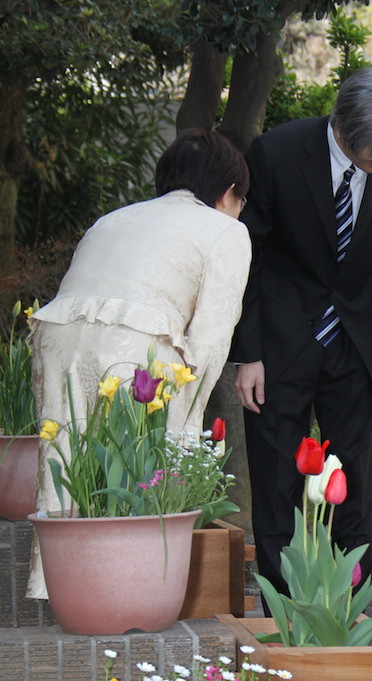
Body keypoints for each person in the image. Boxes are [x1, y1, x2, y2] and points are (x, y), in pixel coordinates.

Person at [27, 128, 252, 600]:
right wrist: (187, 425)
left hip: (57, 333)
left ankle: (59, 588)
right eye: (241, 198)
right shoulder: (227, 230)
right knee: (139, 471)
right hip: (136, 343)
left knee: (68, 459)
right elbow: (211, 338)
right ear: (229, 192)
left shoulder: (115, 217)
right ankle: (128, 593)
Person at [230, 67, 372, 598]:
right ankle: (281, 610)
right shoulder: (276, 152)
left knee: (352, 485)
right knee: (277, 482)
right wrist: (246, 353)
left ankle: (343, 607)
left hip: (356, 345)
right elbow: (247, 257)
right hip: (278, 345)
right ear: (343, 126)